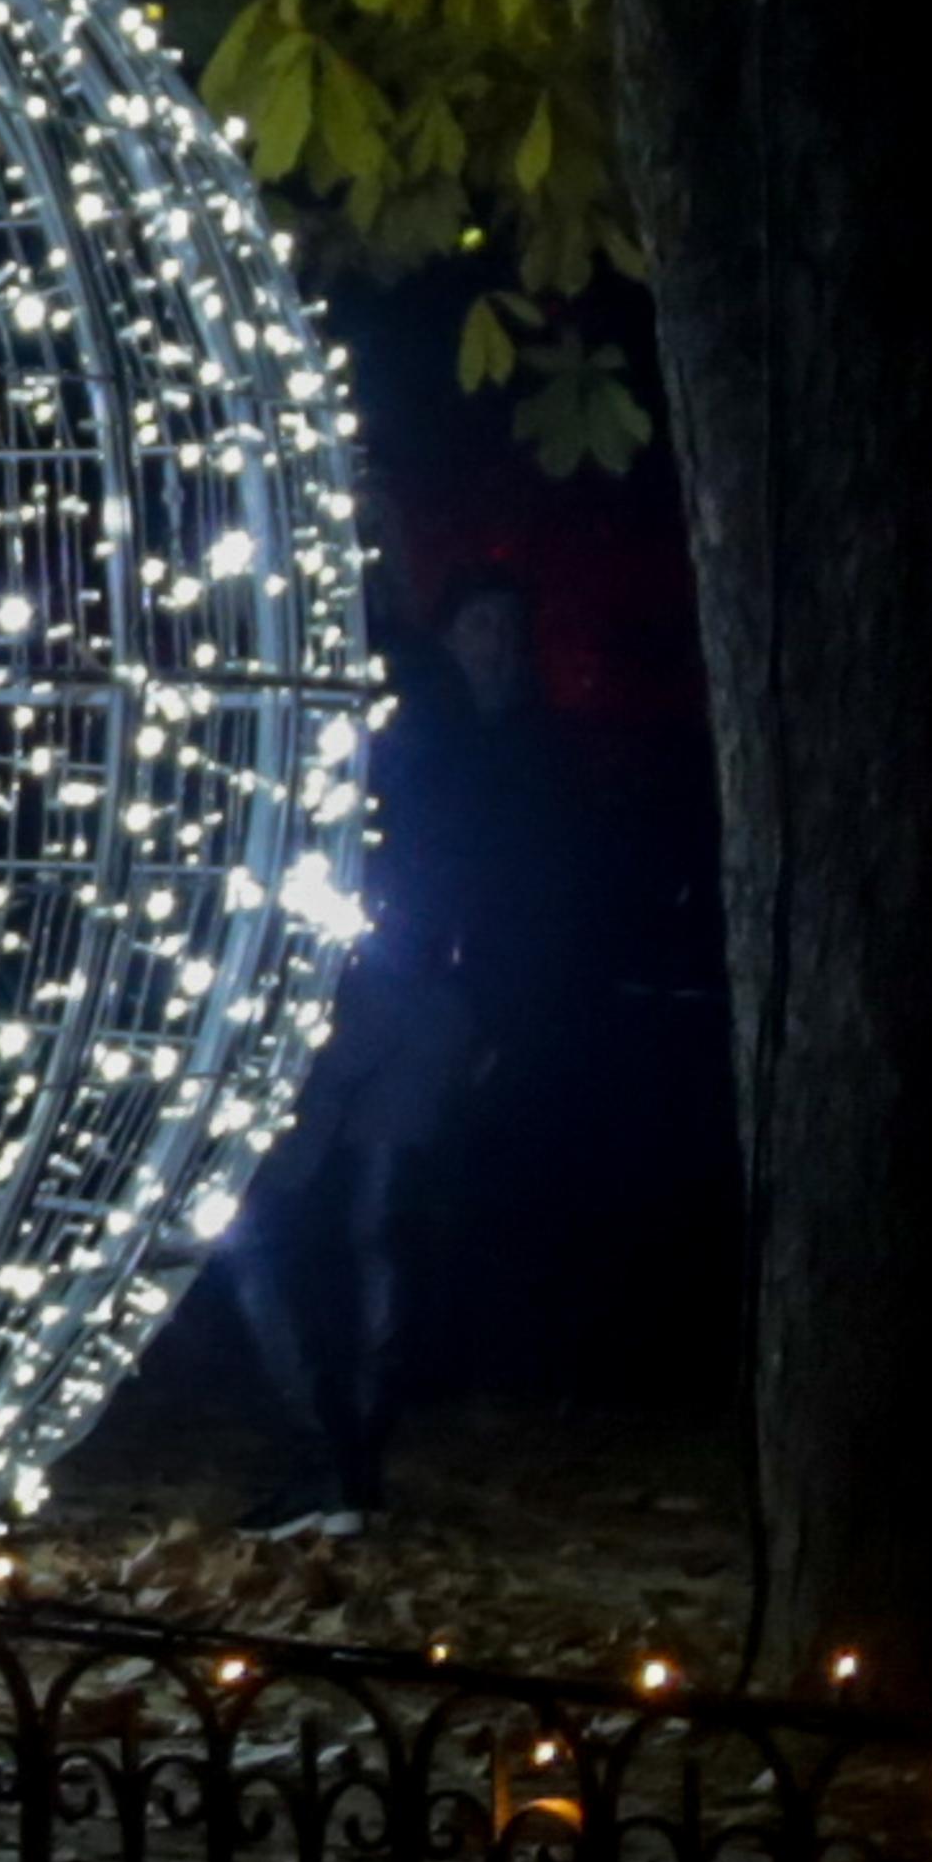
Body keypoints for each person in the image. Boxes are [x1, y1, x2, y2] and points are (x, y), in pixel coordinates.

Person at [225, 563, 570, 1533]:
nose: (491, 646)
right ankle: (342, 1464)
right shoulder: (451, 730)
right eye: (477, 624)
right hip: (399, 991)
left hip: (391, 995)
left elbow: (539, 895)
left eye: (506, 630)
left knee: (296, 1223)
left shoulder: (459, 740)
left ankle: (334, 1460)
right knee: (347, 1230)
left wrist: (492, 1013)